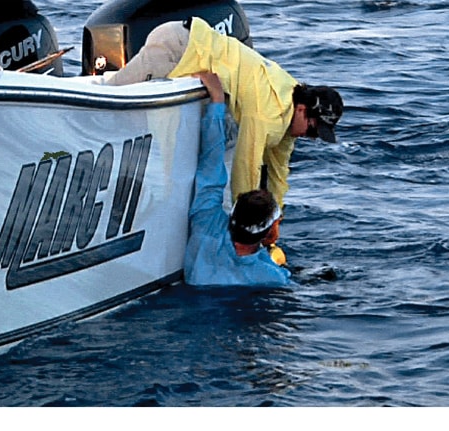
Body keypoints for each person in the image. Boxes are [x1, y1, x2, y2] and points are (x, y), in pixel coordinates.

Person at [98, 17, 343, 209]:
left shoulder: (290, 108)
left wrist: (274, 219)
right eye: (313, 129)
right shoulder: (268, 112)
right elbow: (246, 166)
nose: (311, 137)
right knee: (105, 103)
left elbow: (278, 174)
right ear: (302, 110)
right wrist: (247, 225)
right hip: (179, 47)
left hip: (196, 54)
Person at [184, 71, 290, 288]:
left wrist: (216, 101)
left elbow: (210, 162)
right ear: (269, 232)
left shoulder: (205, 222)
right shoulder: (271, 277)